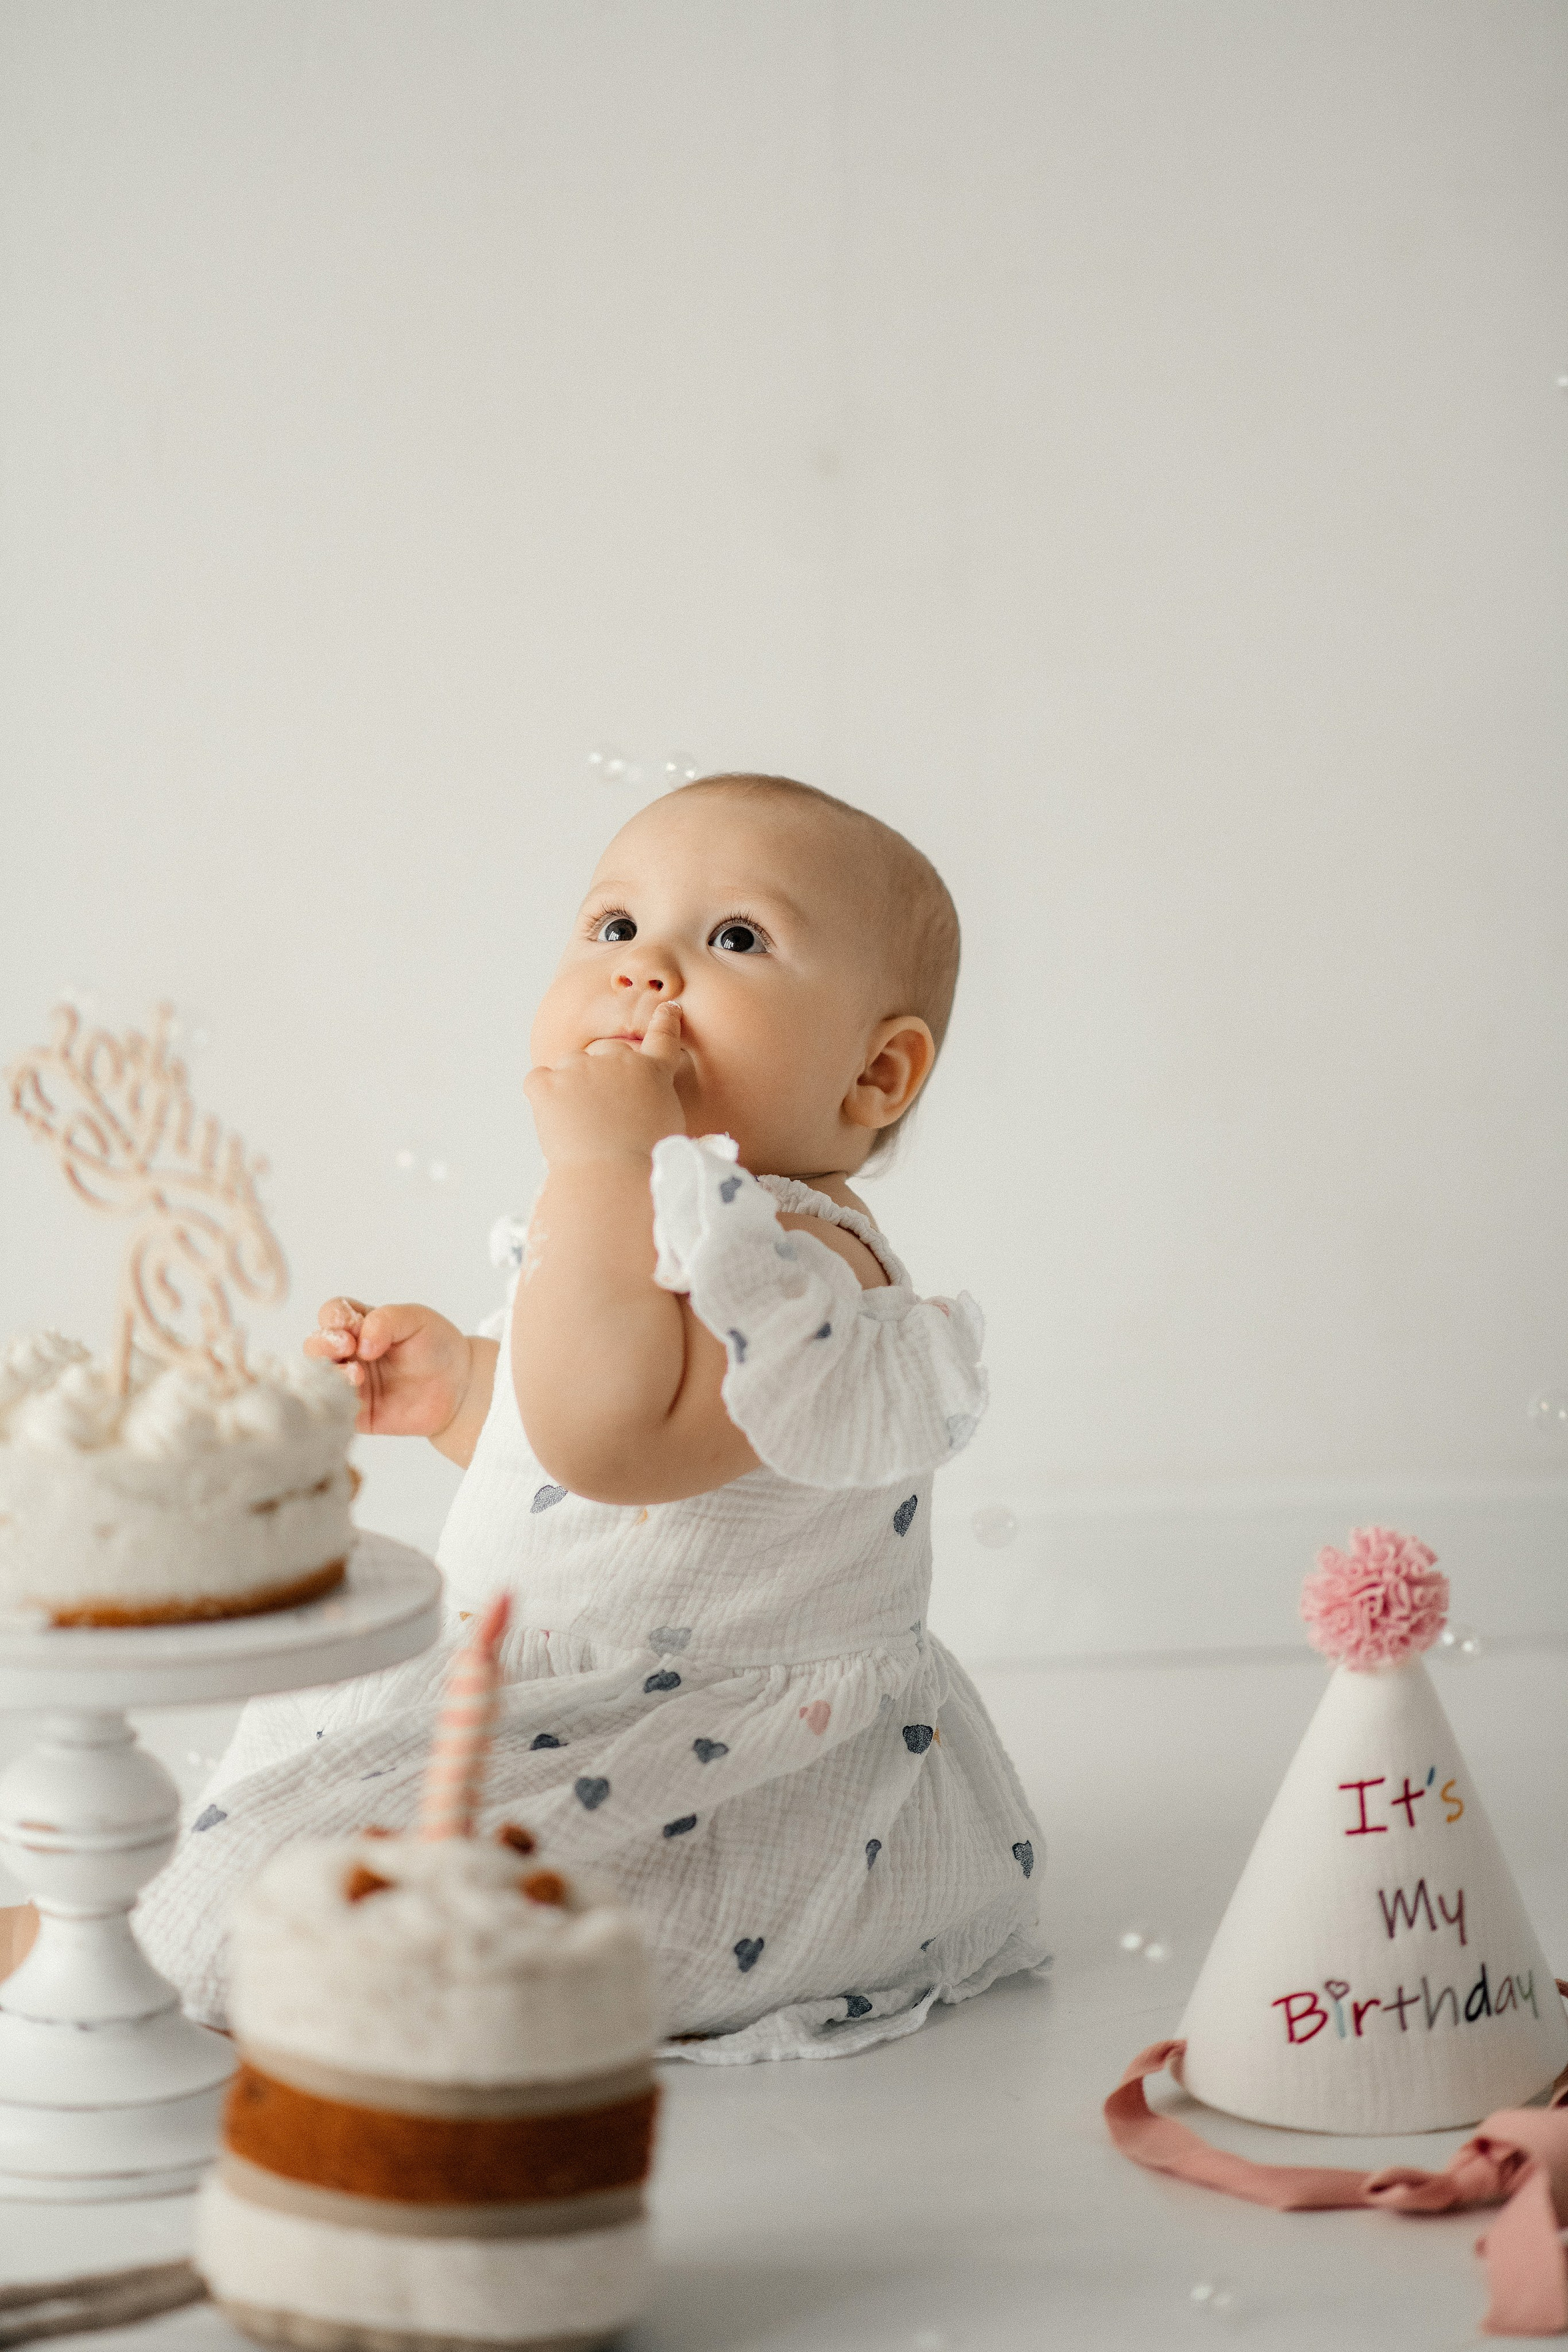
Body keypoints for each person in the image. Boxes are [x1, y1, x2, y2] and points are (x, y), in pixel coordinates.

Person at [137, 773, 1047, 2061]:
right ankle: (158, 1941)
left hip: (707, 1762)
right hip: (547, 1695)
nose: (644, 969)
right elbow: (577, 1462)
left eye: (735, 938)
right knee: (290, 1852)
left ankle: (141, 1963)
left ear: (874, 1072)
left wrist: (604, 1162)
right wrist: (467, 1389)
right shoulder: (669, 1220)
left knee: (321, 1919)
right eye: (615, 926)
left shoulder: (807, 1269)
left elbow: (612, 1444)